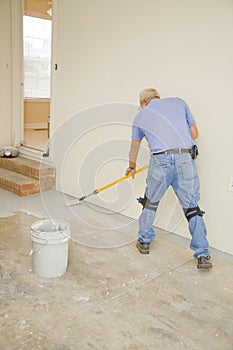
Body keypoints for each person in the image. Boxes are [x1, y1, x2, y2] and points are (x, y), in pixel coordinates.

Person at [125, 88, 212, 269]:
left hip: (160, 160)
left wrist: (131, 166)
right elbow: (194, 134)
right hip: (185, 160)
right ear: (157, 97)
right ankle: (203, 255)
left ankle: (145, 242)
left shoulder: (141, 116)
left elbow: (134, 147)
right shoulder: (179, 102)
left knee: (150, 203)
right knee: (192, 208)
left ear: (144, 103)